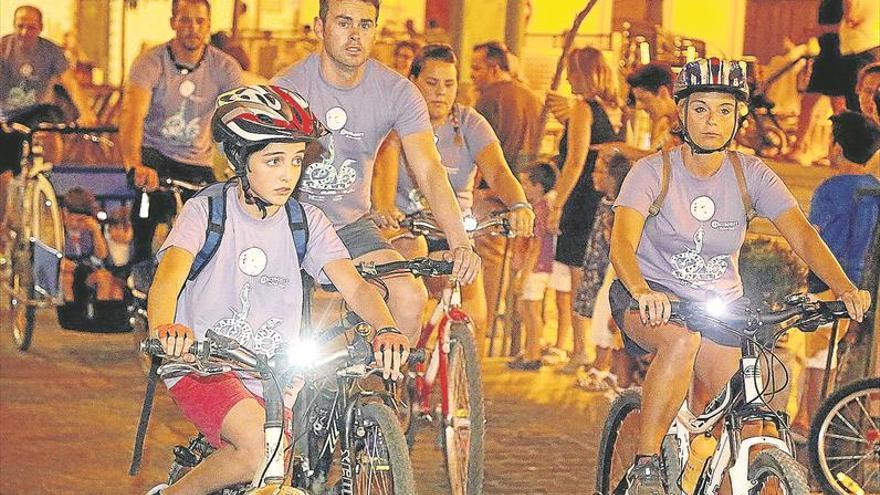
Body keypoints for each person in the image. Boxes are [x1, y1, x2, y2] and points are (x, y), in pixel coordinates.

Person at [608, 57, 872, 494]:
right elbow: (622, 243)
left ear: (739, 118)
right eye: (701, 109)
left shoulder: (751, 174)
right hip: (652, 299)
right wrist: (640, 289)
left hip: (719, 307)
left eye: (725, 110)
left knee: (744, 419)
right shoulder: (653, 171)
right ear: (682, 112)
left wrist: (843, 288)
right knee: (680, 342)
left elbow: (802, 236)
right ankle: (648, 464)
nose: (712, 121)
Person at [144, 85, 411, 495]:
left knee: (271, 479)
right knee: (256, 451)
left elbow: (355, 288)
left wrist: (387, 328)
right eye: (273, 161)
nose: (288, 174)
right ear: (239, 161)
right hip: (205, 366)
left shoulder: (307, 221)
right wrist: (167, 329)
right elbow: (169, 277)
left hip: (277, 375)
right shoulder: (206, 212)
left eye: (296, 161)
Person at [271, 0, 480, 345]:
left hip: (351, 227)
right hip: (289, 223)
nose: (355, 35)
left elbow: (428, 169)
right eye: (343, 23)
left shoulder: (397, 92)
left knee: (410, 298)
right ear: (320, 28)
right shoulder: (287, 88)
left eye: (365, 25)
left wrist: (460, 242)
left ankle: (380, 392)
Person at [372, 43, 534, 357]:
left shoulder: (470, 123)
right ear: (414, 81)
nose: (440, 93)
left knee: (478, 314)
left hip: (454, 231)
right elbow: (384, 168)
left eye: (449, 84)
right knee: (412, 271)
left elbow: (498, 171)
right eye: (431, 83)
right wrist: (384, 207)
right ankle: (400, 370)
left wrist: (520, 205)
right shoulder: (396, 123)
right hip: (407, 228)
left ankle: (463, 387)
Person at [119, 0, 244, 264]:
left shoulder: (225, 67)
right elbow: (132, 116)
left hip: (196, 161)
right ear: (173, 22)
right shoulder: (150, 63)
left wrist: (246, 166)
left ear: (209, 26)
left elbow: (238, 117)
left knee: (216, 220)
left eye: (200, 21)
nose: (192, 28)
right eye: (185, 20)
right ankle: (139, 272)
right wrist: (135, 164)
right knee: (146, 207)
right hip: (155, 155)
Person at [791, 110, 880, 439]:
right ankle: (815, 418)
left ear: (837, 147)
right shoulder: (875, 188)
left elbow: (812, 234)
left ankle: (807, 420)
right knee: (828, 355)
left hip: (827, 281)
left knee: (814, 355)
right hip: (861, 285)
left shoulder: (831, 188)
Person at [547, 47, 627, 374]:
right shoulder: (616, 110)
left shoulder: (583, 109)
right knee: (593, 272)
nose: (567, 78)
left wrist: (558, 203)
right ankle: (593, 349)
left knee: (579, 273)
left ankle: (580, 348)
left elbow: (575, 161)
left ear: (583, 73)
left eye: (571, 72)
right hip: (604, 197)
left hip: (581, 199)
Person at [0, 5, 96, 242]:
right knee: (3, 174)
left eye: (31, 27)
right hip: (8, 114)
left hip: (38, 110)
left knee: (50, 127)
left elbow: (70, 82)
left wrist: (86, 112)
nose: (25, 32)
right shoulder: (4, 47)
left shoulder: (51, 52)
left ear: (40, 28)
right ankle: (4, 225)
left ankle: (50, 179)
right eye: (20, 26)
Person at [470, 40, 543, 350]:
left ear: (494, 68)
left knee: (487, 259)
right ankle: (508, 334)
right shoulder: (530, 97)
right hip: (523, 194)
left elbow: (477, 150)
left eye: (476, 68)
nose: (472, 75)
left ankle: (480, 330)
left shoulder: (489, 99)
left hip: (494, 193)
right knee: (507, 262)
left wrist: (477, 189)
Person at [571, 151, 632, 390]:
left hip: (615, 272)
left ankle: (607, 369)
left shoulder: (623, 209)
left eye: (601, 171)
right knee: (598, 316)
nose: (595, 176)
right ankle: (603, 367)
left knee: (608, 320)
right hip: (600, 268)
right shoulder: (604, 204)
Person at [509, 163, 557, 370]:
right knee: (526, 308)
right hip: (538, 265)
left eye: (526, 184)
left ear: (538, 186)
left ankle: (533, 354)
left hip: (536, 266)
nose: (523, 188)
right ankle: (529, 349)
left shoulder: (539, 210)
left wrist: (524, 274)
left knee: (531, 310)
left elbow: (535, 245)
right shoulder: (542, 207)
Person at [625, 62, 679, 150]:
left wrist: (624, 150)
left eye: (643, 99)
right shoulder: (666, 124)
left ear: (663, 93)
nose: (639, 106)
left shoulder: (689, 124)